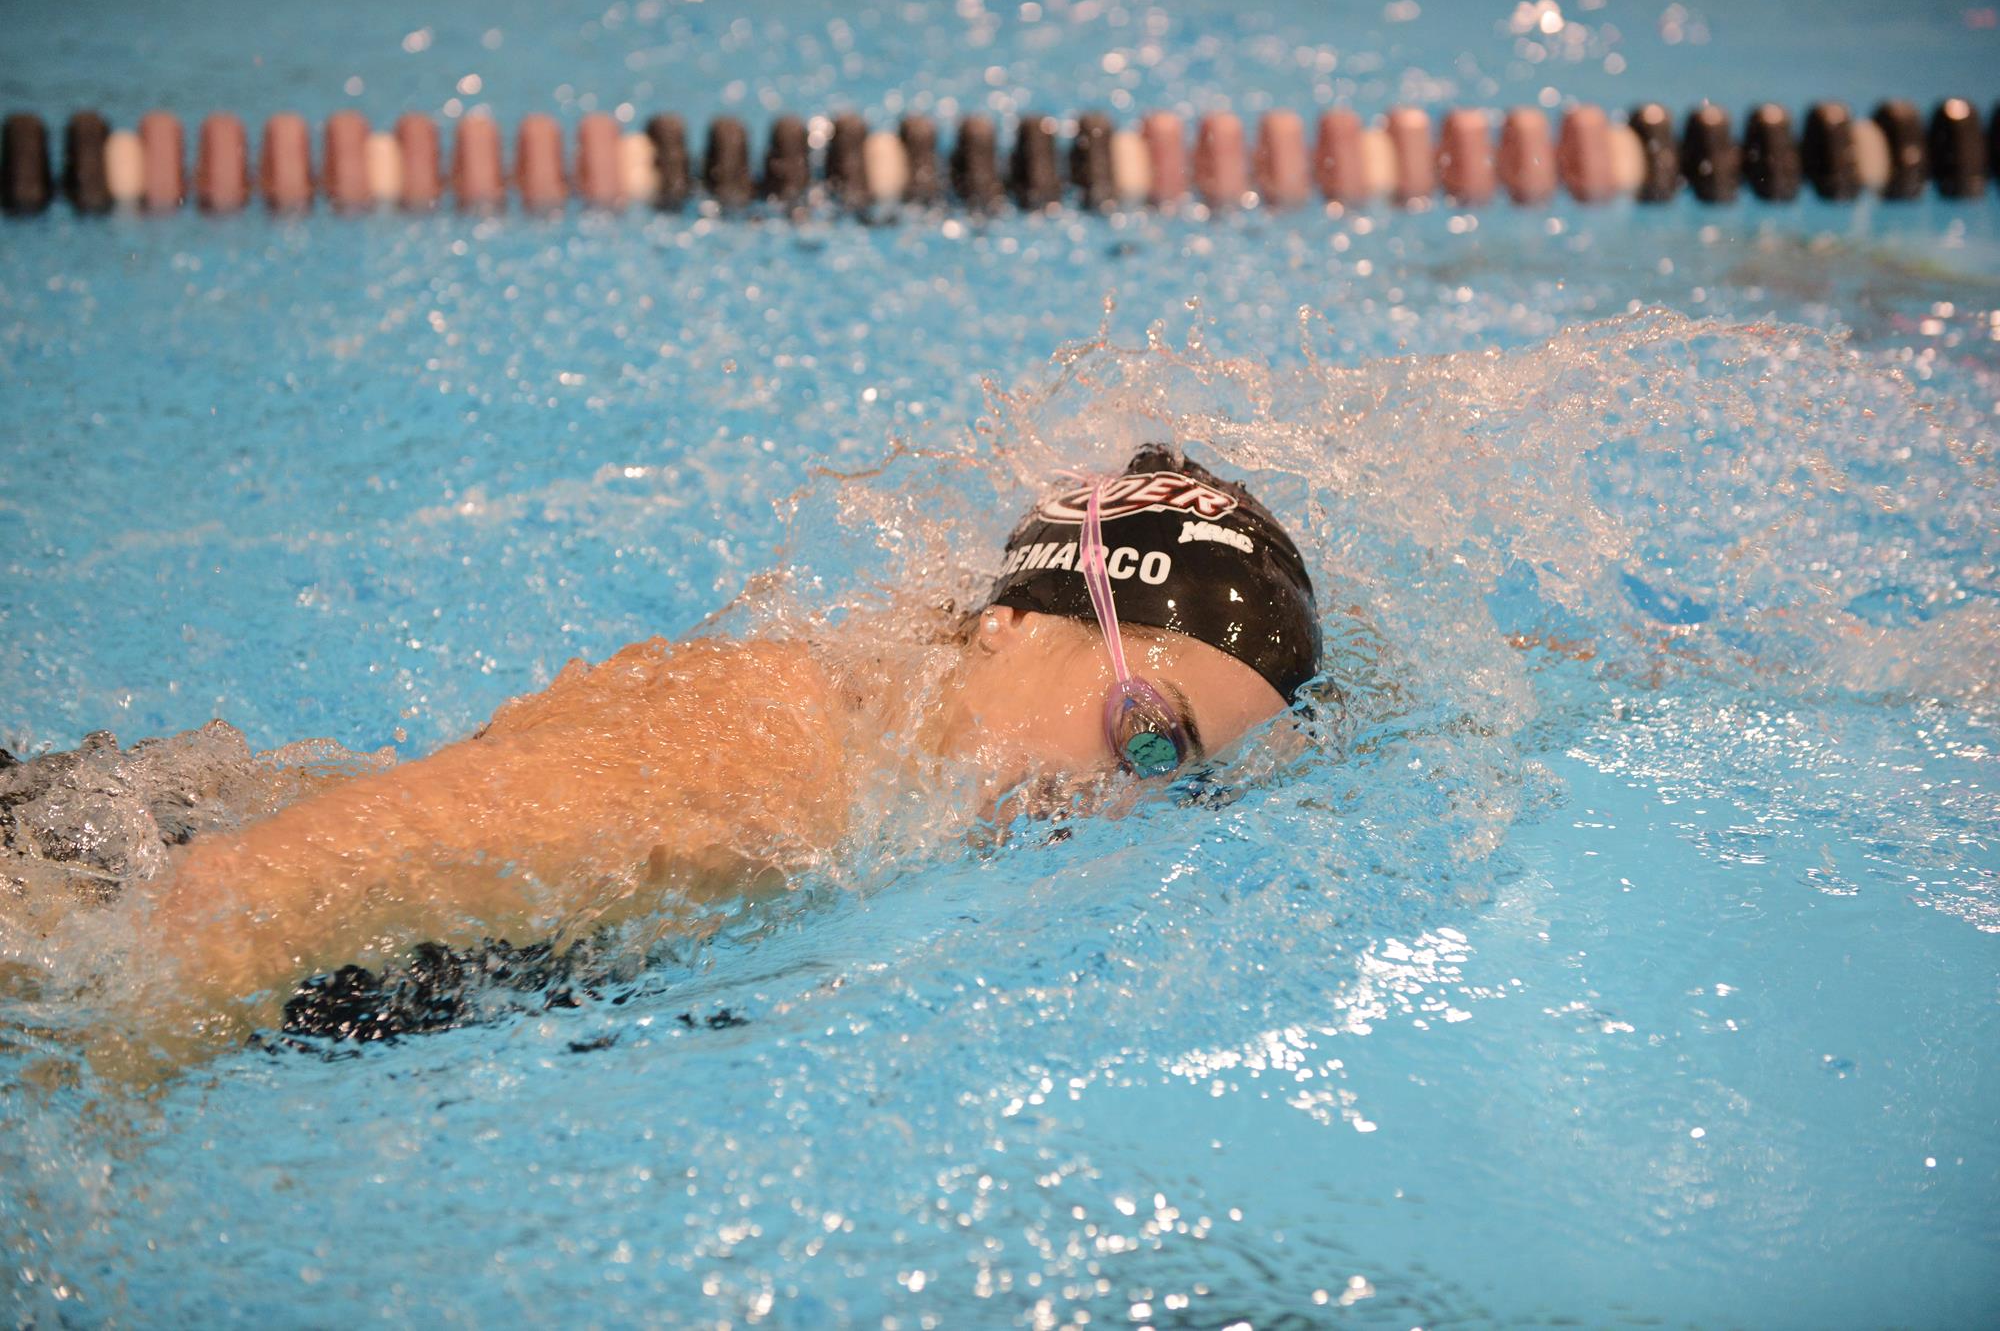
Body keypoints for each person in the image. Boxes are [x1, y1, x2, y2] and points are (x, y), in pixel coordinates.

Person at [16, 446, 1320, 1074]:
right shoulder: (769, 760)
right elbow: (224, 906)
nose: (1124, 797)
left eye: (1181, 777)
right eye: (1148, 731)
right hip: (64, 919)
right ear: (1017, 624)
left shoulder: (885, 788)